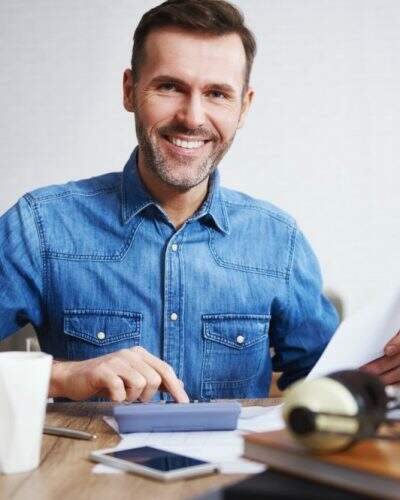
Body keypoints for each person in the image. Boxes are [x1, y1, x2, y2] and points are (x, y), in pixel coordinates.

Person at [0, 0, 398, 402]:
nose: (192, 117)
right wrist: (62, 376)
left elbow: (329, 389)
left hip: (234, 468)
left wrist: (383, 373)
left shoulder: (279, 241)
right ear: (129, 91)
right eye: (170, 86)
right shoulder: (40, 226)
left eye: (217, 94)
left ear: (243, 107)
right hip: (81, 465)